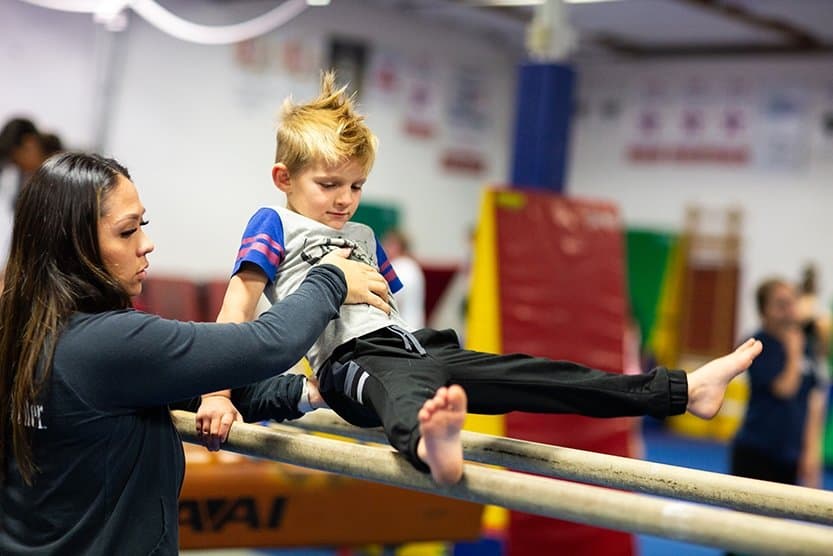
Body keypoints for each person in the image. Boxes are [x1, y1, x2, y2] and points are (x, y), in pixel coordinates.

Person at [198, 72, 763, 485]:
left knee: (542, 377)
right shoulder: (274, 222)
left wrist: (419, 346)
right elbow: (237, 310)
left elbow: (394, 309)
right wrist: (218, 394)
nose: (345, 199)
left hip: (418, 350)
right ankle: (430, 444)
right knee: (406, 397)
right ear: (283, 177)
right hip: (352, 366)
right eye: (330, 185)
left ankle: (684, 390)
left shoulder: (365, 236)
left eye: (357, 186)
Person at [0, 152, 390, 555]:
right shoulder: (105, 343)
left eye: (143, 225)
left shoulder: (25, 333)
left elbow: (199, 386)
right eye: (127, 231)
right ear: (73, 244)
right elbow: (267, 344)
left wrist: (310, 392)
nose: (146, 244)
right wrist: (330, 277)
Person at [730, 278, 829, 488]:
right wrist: (793, 353)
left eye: (792, 303)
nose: (789, 311)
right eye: (780, 305)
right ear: (763, 311)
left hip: (789, 455)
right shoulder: (756, 345)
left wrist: (812, 452)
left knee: (780, 520)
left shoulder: (805, 345)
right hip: (756, 451)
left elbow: (813, 400)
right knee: (746, 519)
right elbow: (785, 389)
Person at [381, 228, 426, 327]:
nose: (384, 249)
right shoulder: (413, 266)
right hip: (414, 327)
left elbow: (390, 298)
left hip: (403, 329)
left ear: (396, 246)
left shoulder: (399, 267)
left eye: (387, 245)